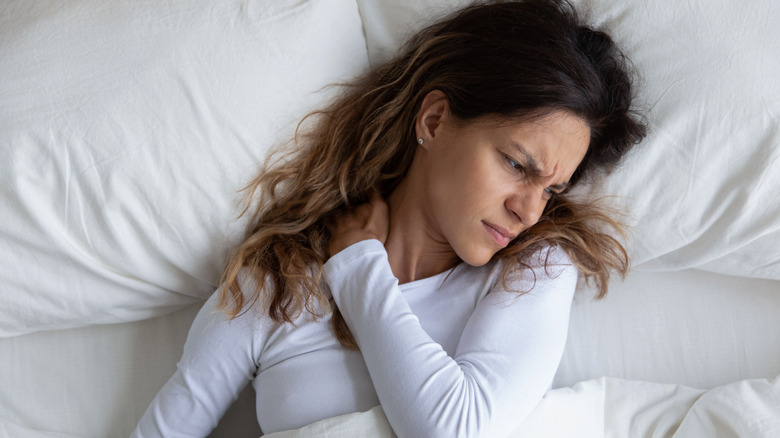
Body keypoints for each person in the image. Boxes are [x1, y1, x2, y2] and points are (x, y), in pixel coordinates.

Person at [133, 0, 646, 436]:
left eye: (551, 189)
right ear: (435, 120)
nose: (529, 211)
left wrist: (360, 270)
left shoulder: (535, 269)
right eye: (516, 165)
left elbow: (455, 429)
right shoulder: (277, 282)